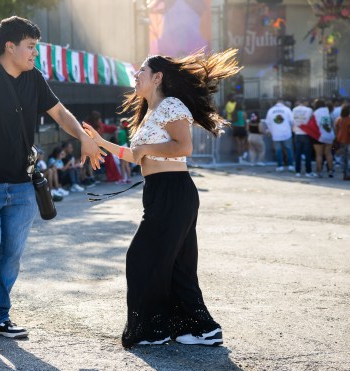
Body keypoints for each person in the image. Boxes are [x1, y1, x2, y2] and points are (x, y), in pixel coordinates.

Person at [0, 16, 102, 339]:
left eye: (36, 48)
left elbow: (60, 114)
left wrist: (83, 135)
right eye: (31, 47)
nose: (35, 54)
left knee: (11, 253)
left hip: (21, 183)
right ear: (10, 47)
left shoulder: (34, 79)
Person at [82, 49, 240, 348]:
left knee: (140, 257)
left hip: (174, 189)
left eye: (142, 70)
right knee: (177, 265)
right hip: (159, 191)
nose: (136, 74)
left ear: (157, 77)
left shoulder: (171, 105)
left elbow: (185, 147)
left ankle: (154, 331)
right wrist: (100, 142)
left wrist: (145, 149)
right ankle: (198, 329)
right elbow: (137, 156)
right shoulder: (151, 114)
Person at [265, 99, 295, 172]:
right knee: (289, 149)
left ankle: (280, 166)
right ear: (283, 103)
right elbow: (292, 121)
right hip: (286, 133)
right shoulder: (287, 109)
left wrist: (271, 131)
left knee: (278, 150)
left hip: (275, 134)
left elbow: (267, 122)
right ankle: (290, 165)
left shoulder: (270, 110)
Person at [292, 100, 316, 177]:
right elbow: (312, 121)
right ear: (306, 103)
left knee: (298, 153)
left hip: (297, 133)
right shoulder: (309, 110)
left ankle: (297, 171)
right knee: (307, 153)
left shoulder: (294, 109)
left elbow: (293, 121)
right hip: (306, 133)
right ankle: (308, 172)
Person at [312, 99, 335, 178]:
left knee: (319, 154)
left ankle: (319, 172)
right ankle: (331, 171)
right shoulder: (328, 111)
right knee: (328, 153)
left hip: (319, 135)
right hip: (330, 134)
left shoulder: (315, 113)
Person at [334, 103, 350, 180]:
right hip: (347, 140)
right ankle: (347, 174)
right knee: (347, 158)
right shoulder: (348, 120)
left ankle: (345, 173)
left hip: (340, 140)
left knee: (344, 158)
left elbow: (336, 130)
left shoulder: (338, 119)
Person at [117, 118, 133, 183]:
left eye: (120, 123)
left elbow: (118, 141)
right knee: (126, 164)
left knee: (122, 165)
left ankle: (123, 179)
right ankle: (128, 179)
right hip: (126, 147)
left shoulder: (120, 132)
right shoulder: (127, 132)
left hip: (121, 148)